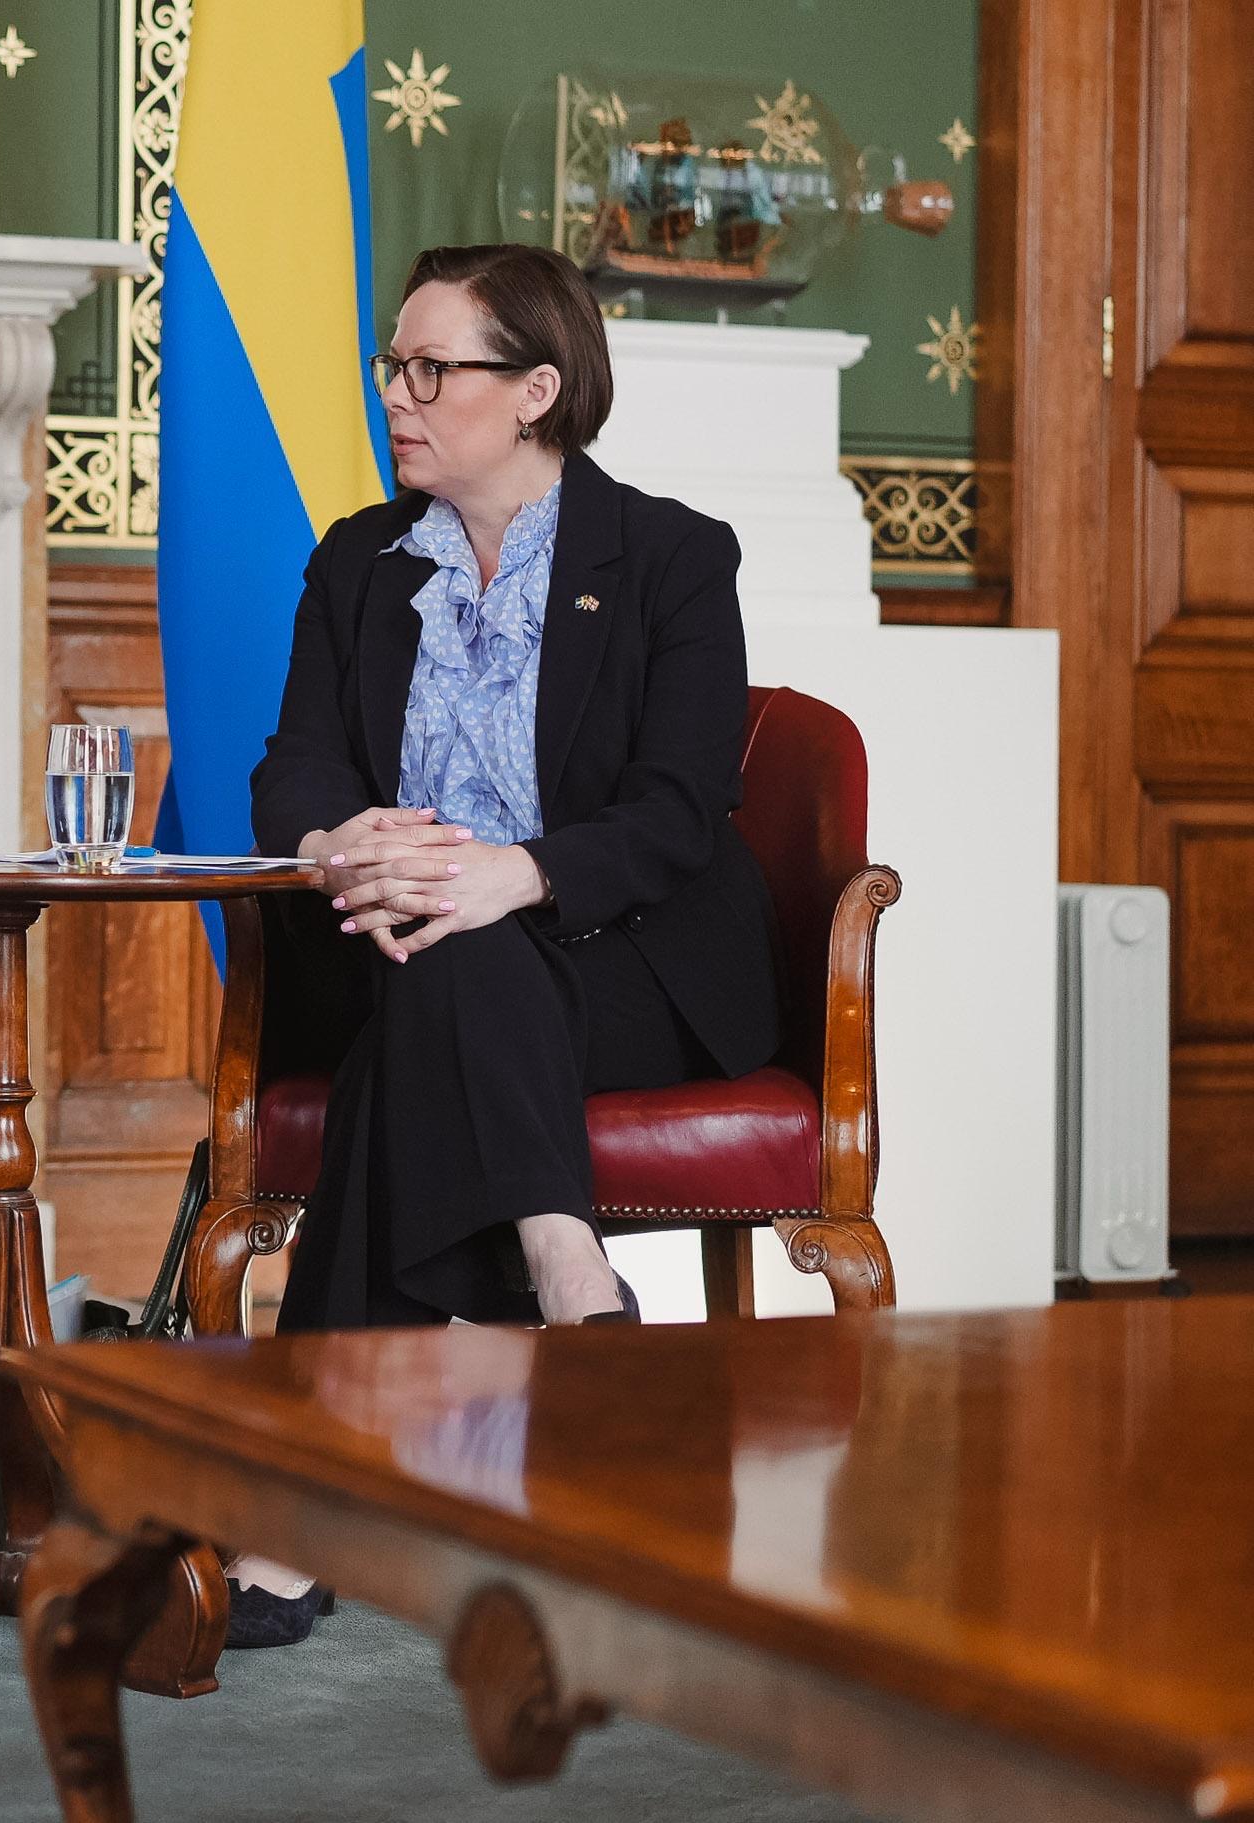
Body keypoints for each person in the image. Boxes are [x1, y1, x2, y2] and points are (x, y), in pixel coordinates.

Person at [229, 243, 777, 1646]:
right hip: (405, 945)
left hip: (618, 958)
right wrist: (332, 847)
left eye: (431, 371)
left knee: (455, 951)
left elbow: (679, 809)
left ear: (537, 388)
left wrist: (514, 873)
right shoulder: (358, 561)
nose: (396, 398)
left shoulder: (667, 557)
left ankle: (304, 1517)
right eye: (390, 368)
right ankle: (569, 1274)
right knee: (439, 953)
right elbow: (291, 769)